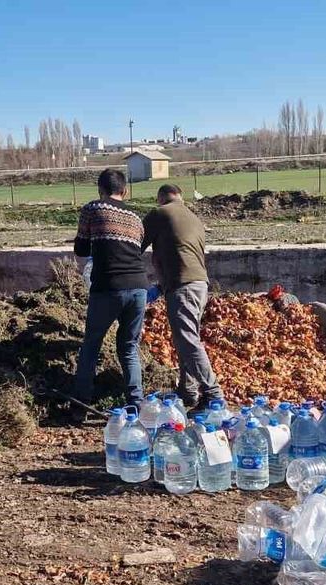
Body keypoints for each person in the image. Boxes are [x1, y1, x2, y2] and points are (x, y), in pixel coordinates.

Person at [142, 184, 223, 413]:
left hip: (183, 287)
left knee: (187, 341)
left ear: (160, 198)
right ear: (180, 197)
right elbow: (184, 253)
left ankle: (213, 395)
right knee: (184, 340)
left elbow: (134, 245)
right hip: (199, 285)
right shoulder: (193, 218)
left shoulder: (160, 213)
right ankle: (187, 391)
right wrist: (161, 286)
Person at [73, 169, 149, 408]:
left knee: (91, 345)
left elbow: (81, 250)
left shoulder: (92, 209)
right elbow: (135, 250)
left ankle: (81, 404)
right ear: (124, 191)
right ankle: (136, 402)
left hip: (108, 287)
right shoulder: (136, 218)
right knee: (128, 347)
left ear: (100, 190)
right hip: (139, 287)